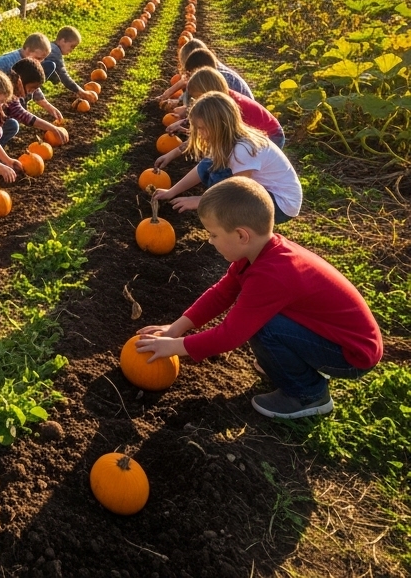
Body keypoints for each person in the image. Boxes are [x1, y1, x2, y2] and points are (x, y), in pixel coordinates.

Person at [136, 177, 383, 420]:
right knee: (265, 322)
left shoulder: (272, 275)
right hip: (333, 337)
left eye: (213, 235)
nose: (209, 241)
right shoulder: (258, 252)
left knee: (264, 327)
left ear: (242, 235)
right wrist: (175, 328)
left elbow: (230, 335)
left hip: (352, 356)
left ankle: (309, 394)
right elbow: (221, 294)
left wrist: (176, 347)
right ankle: (292, 365)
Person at [154, 91, 301, 222]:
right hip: (263, 192)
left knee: (227, 199)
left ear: (219, 126)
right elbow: (203, 168)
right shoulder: (226, 140)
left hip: (281, 204)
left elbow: (238, 191)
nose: (199, 134)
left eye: (202, 128)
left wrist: (200, 200)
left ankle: (244, 235)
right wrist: (171, 192)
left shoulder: (243, 149)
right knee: (210, 165)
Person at [158, 68, 285, 170]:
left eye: (198, 98)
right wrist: (184, 123)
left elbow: (208, 137)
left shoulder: (231, 108)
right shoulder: (221, 101)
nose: (196, 102)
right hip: (253, 135)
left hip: (271, 135)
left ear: (209, 93)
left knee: (230, 161)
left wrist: (173, 153)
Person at [0, 33, 65, 118]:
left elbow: (32, 83)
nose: (40, 62)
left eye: (43, 59)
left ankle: (22, 103)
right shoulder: (10, 64)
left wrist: (46, 105)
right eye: (38, 58)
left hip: (11, 92)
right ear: (27, 50)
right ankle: (15, 110)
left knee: (49, 65)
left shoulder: (27, 60)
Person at [41, 26, 90, 102]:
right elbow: (63, 75)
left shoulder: (51, 47)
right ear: (62, 41)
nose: (72, 50)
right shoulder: (55, 52)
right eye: (72, 46)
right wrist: (80, 91)